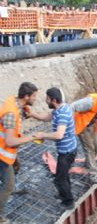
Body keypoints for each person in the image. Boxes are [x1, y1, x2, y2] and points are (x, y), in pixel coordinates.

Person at [29, 87, 77, 210]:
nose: (46, 101)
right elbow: (47, 117)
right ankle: (64, 194)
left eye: (47, 99)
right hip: (67, 150)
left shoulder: (62, 114)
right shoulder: (59, 108)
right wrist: (33, 114)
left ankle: (69, 202)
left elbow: (59, 135)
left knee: (60, 179)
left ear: (54, 100)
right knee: (63, 175)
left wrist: (42, 135)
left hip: (67, 153)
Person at [0, 82, 39, 223]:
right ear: (26, 96)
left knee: (17, 167)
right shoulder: (10, 114)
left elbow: (18, 114)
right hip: (2, 155)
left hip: (7, 153)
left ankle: (5, 184)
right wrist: (31, 137)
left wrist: (25, 112)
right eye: (34, 96)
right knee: (8, 186)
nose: (36, 99)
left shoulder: (16, 103)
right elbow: (10, 141)